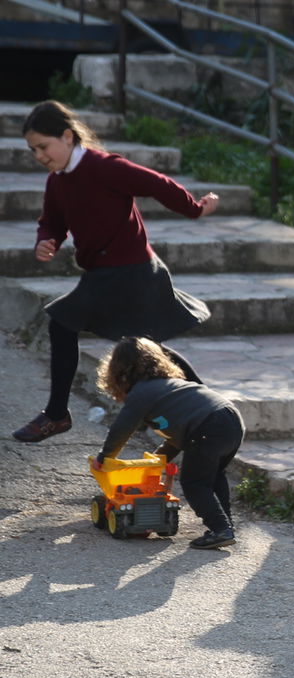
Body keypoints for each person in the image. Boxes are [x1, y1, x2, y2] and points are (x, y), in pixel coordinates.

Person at [12, 100, 219, 444]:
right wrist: (46, 239)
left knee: (64, 322)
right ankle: (207, 405)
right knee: (142, 346)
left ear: (67, 136)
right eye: (33, 150)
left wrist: (195, 209)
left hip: (133, 268)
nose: (39, 156)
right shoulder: (57, 181)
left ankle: (56, 414)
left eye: (44, 147)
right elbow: (52, 221)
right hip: (105, 271)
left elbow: (158, 184)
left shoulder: (104, 167)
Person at [95, 337, 245, 550]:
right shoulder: (170, 387)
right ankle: (225, 525)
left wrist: (105, 457)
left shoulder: (141, 393)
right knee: (213, 475)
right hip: (231, 419)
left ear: (120, 370)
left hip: (208, 426)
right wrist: (159, 459)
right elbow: (181, 435)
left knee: (194, 482)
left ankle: (221, 529)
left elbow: (121, 429)